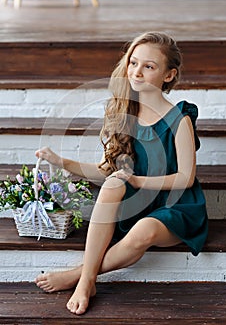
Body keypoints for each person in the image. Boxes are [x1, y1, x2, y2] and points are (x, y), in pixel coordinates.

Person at [35, 31, 208, 315]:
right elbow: (106, 171)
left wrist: (137, 180)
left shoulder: (180, 119)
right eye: (133, 63)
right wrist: (61, 161)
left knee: (144, 228)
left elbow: (185, 178)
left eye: (149, 66)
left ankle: (81, 277)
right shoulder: (122, 112)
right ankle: (86, 278)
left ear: (168, 75)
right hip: (136, 202)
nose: (137, 72)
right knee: (114, 183)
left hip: (175, 204)